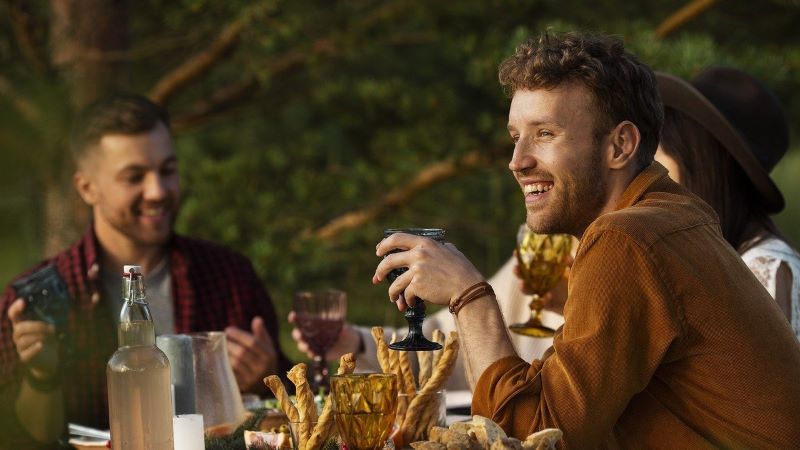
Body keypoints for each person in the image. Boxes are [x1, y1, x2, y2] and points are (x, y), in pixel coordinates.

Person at [372, 31, 800, 448]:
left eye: (545, 134)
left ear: (620, 146)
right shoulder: (674, 214)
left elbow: (534, 438)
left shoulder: (627, 238)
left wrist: (469, 296)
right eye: (515, 137)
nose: (517, 162)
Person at [0, 95, 292, 447]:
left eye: (167, 170)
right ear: (86, 188)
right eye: (134, 176)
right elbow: (22, 438)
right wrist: (42, 378)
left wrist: (267, 374)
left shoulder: (230, 275)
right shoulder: (37, 300)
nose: (157, 191)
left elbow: (293, 415)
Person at [654, 67, 800, 339]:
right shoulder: (716, 257)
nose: (650, 168)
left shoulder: (763, 267)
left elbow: (759, 380)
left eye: (661, 150)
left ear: (701, 160)